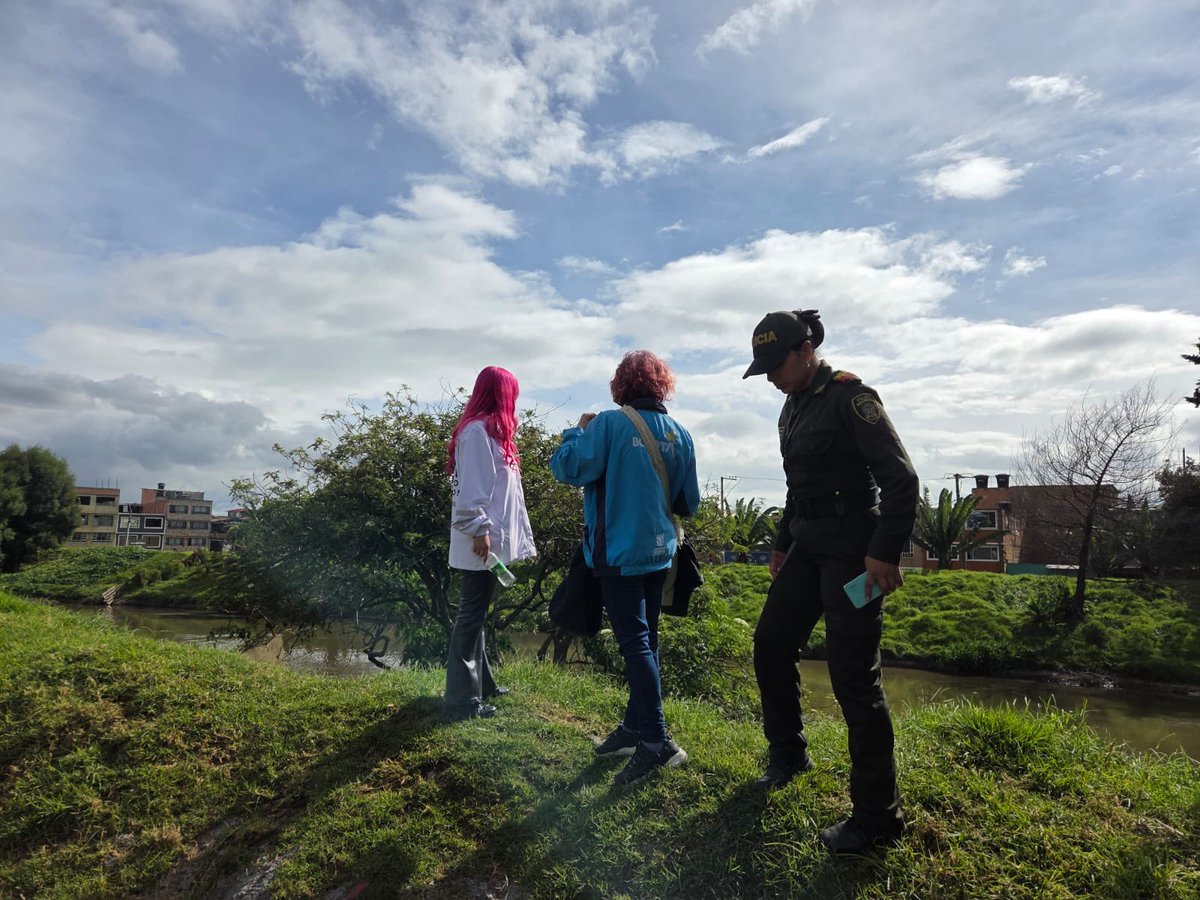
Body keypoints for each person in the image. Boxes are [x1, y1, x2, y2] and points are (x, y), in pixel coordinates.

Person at [742, 309, 918, 854]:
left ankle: (876, 818)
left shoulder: (851, 398)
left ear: (805, 350)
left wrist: (883, 553)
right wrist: (779, 543)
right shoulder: (790, 410)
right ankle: (789, 755)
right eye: (763, 368)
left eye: (776, 364)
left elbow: (901, 478)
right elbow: (798, 485)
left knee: (852, 677)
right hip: (806, 546)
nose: (770, 376)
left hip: (853, 556)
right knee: (771, 641)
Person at [551, 350, 701, 785]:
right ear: (661, 385)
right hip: (660, 553)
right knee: (646, 640)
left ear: (621, 385)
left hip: (617, 551)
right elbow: (688, 503)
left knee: (635, 643)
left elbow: (570, 468)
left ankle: (656, 740)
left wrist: (574, 432)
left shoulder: (608, 425)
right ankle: (635, 729)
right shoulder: (680, 432)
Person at [444, 366, 537, 721]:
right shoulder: (477, 433)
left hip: (487, 541)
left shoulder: (491, 433)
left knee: (477, 612)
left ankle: (481, 684)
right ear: (501, 394)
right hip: (480, 541)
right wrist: (480, 529)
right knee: (471, 615)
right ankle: (460, 701)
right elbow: (472, 491)